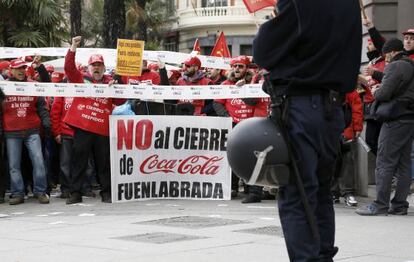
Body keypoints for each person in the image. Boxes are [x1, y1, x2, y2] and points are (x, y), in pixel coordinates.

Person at [252, 0, 361, 261]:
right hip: (331, 106)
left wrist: (272, 23)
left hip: (302, 105)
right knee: (320, 192)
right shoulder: (349, 5)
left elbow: (263, 52)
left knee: (298, 194)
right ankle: (322, 256)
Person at [64, 36, 125, 204]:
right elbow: (69, 68)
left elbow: (121, 102)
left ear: (104, 68)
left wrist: (118, 86)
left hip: (102, 130)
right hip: (82, 128)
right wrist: (73, 47)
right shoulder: (81, 78)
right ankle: (75, 193)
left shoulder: (111, 82)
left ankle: (107, 193)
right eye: (94, 65)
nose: (96, 68)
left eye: (99, 65)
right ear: (89, 68)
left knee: (104, 163)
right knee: (79, 162)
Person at [356, 38, 414, 216]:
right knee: (404, 164)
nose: (385, 58)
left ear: (392, 52)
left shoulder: (394, 66)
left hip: (394, 120)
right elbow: (399, 84)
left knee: (385, 162)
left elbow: (384, 93)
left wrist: (375, 91)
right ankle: (399, 205)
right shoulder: (410, 65)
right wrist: (376, 75)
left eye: (386, 54)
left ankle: (380, 204)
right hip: (409, 119)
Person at [2, 59, 51, 205]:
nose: (21, 71)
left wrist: (46, 123)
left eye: (23, 68)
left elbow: (42, 106)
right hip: (11, 131)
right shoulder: (4, 86)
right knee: (13, 165)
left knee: (39, 162)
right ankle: (18, 193)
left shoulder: (33, 85)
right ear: (11, 70)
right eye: (17, 68)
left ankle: (40, 192)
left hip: (32, 130)